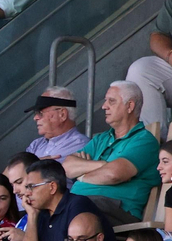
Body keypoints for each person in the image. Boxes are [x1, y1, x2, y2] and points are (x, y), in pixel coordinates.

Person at [62, 80, 161, 225]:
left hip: (117, 209)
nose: (104, 106)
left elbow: (114, 174)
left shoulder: (144, 140)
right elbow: (67, 167)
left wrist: (81, 175)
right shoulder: (101, 139)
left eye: (111, 101)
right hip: (84, 206)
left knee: (71, 209)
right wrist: (103, 164)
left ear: (130, 106)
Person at [24, 89, 88, 159]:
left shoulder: (81, 146)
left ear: (62, 115)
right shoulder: (36, 144)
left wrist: (32, 164)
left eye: (40, 113)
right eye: (35, 113)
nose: (35, 118)